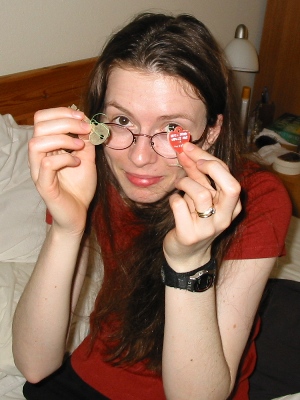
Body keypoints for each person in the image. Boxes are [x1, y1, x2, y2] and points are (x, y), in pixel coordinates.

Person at [12, 12, 291, 400]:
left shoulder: (256, 197)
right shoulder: (89, 177)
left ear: (211, 131)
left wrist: (188, 261)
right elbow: (34, 364)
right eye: (122, 119)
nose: (140, 158)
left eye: (172, 129)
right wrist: (66, 227)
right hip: (92, 376)